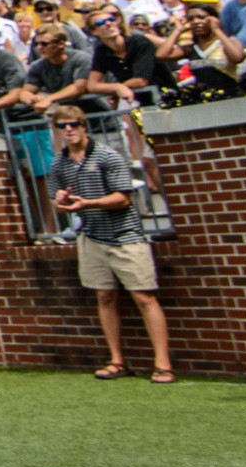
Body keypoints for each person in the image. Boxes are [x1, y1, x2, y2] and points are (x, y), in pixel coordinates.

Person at [48, 107, 175, 382]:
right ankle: (117, 360)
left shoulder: (107, 156)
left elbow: (123, 198)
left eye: (73, 124)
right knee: (104, 296)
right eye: (62, 126)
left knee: (144, 297)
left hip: (125, 236)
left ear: (83, 126)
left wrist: (87, 203)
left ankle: (163, 364)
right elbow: (56, 206)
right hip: (91, 237)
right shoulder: (58, 164)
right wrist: (61, 203)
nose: (68, 130)